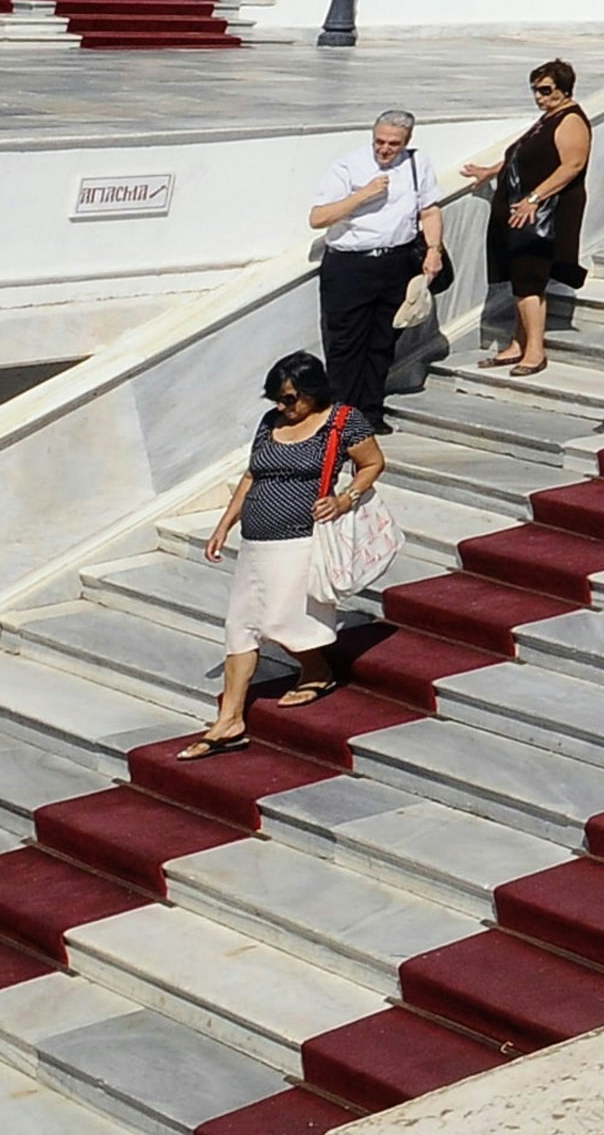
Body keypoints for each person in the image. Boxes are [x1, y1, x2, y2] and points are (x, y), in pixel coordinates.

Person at [183, 352, 379, 758]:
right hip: (257, 540)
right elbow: (252, 474)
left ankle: (317, 669)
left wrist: (345, 499)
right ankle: (231, 720)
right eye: (277, 398)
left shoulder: (343, 421)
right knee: (241, 625)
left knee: (277, 620)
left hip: (300, 539)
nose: (282, 407)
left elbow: (373, 463)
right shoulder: (270, 423)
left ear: (312, 392)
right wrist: (224, 525)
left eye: (290, 399)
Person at [304, 109, 445, 432]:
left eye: (393, 144)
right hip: (351, 265)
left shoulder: (416, 163)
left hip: (395, 262)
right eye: (379, 142)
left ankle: (370, 413)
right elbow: (318, 217)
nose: (384, 149)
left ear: (406, 142)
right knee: (346, 344)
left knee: (382, 341)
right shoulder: (348, 166)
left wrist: (434, 250)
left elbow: (430, 209)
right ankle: (340, 419)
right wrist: (363, 195)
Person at [459, 59, 592, 375]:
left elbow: (572, 165)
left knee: (529, 280)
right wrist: (491, 171)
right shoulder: (548, 119)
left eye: (546, 90)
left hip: (541, 215)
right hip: (519, 211)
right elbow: (524, 158)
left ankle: (535, 350)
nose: (539, 97)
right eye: (536, 90)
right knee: (519, 278)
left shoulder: (571, 120)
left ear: (564, 88)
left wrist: (534, 198)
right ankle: (518, 343)